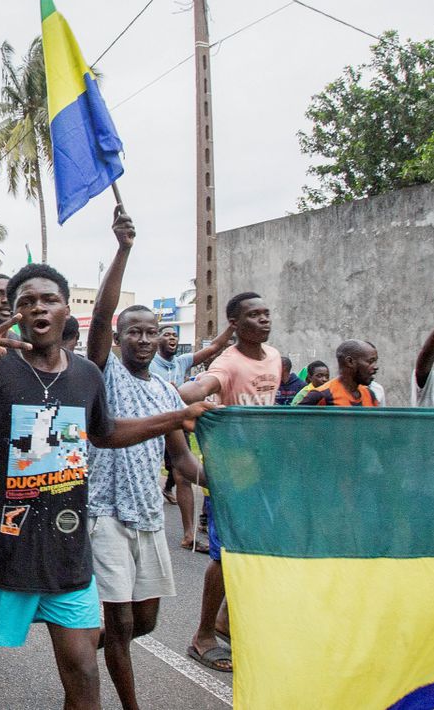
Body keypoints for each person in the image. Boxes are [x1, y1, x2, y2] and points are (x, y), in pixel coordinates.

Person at [0, 263, 213, 710]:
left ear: (66, 309)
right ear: (14, 314)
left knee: (84, 669)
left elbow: (104, 432)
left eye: (48, 299)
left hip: (67, 552)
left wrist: (174, 418)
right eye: (26, 302)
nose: (38, 308)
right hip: (0, 549)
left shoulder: (86, 375)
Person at [86, 210, 208, 710]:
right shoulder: (103, 374)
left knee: (144, 622)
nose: (143, 338)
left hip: (147, 519)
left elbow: (180, 460)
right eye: (133, 331)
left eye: (150, 332)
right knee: (119, 625)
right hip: (105, 516)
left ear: (161, 339)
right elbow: (97, 317)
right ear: (118, 340)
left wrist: (222, 486)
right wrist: (123, 250)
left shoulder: (164, 389)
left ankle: (76, 646)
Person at [178, 291, 280, 675]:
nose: (264, 320)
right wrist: (202, 405)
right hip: (231, 473)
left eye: (267, 312)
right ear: (234, 324)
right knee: (224, 556)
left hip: (263, 471)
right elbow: (188, 393)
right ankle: (202, 635)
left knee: (251, 549)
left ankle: (225, 621)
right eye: (255, 315)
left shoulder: (273, 358)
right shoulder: (228, 362)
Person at [149, 323, 231, 552]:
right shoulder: (149, 361)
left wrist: (231, 328)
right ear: (157, 341)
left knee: (182, 472)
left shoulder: (182, 361)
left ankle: (188, 535)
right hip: (154, 424)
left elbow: (214, 347)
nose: (172, 338)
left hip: (178, 422)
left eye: (175, 335)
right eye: (167, 335)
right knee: (151, 469)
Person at [300, 340, 380, 406]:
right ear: (350, 362)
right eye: (370, 361)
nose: (376, 367)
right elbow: (295, 422)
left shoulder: (369, 395)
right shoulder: (322, 395)